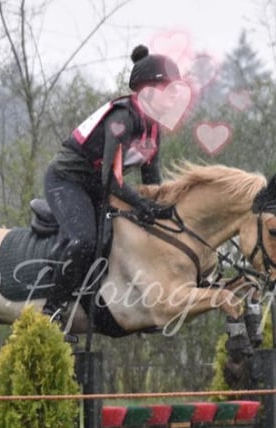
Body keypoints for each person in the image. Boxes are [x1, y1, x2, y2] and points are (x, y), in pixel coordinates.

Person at [42, 44, 181, 322]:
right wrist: (142, 205)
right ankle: (52, 309)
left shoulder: (153, 129)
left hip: (97, 185)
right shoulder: (122, 119)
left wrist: (164, 211)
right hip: (67, 180)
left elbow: (151, 183)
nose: (176, 97)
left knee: (124, 236)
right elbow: (110, 178)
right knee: (84, 240)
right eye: (170, 90)